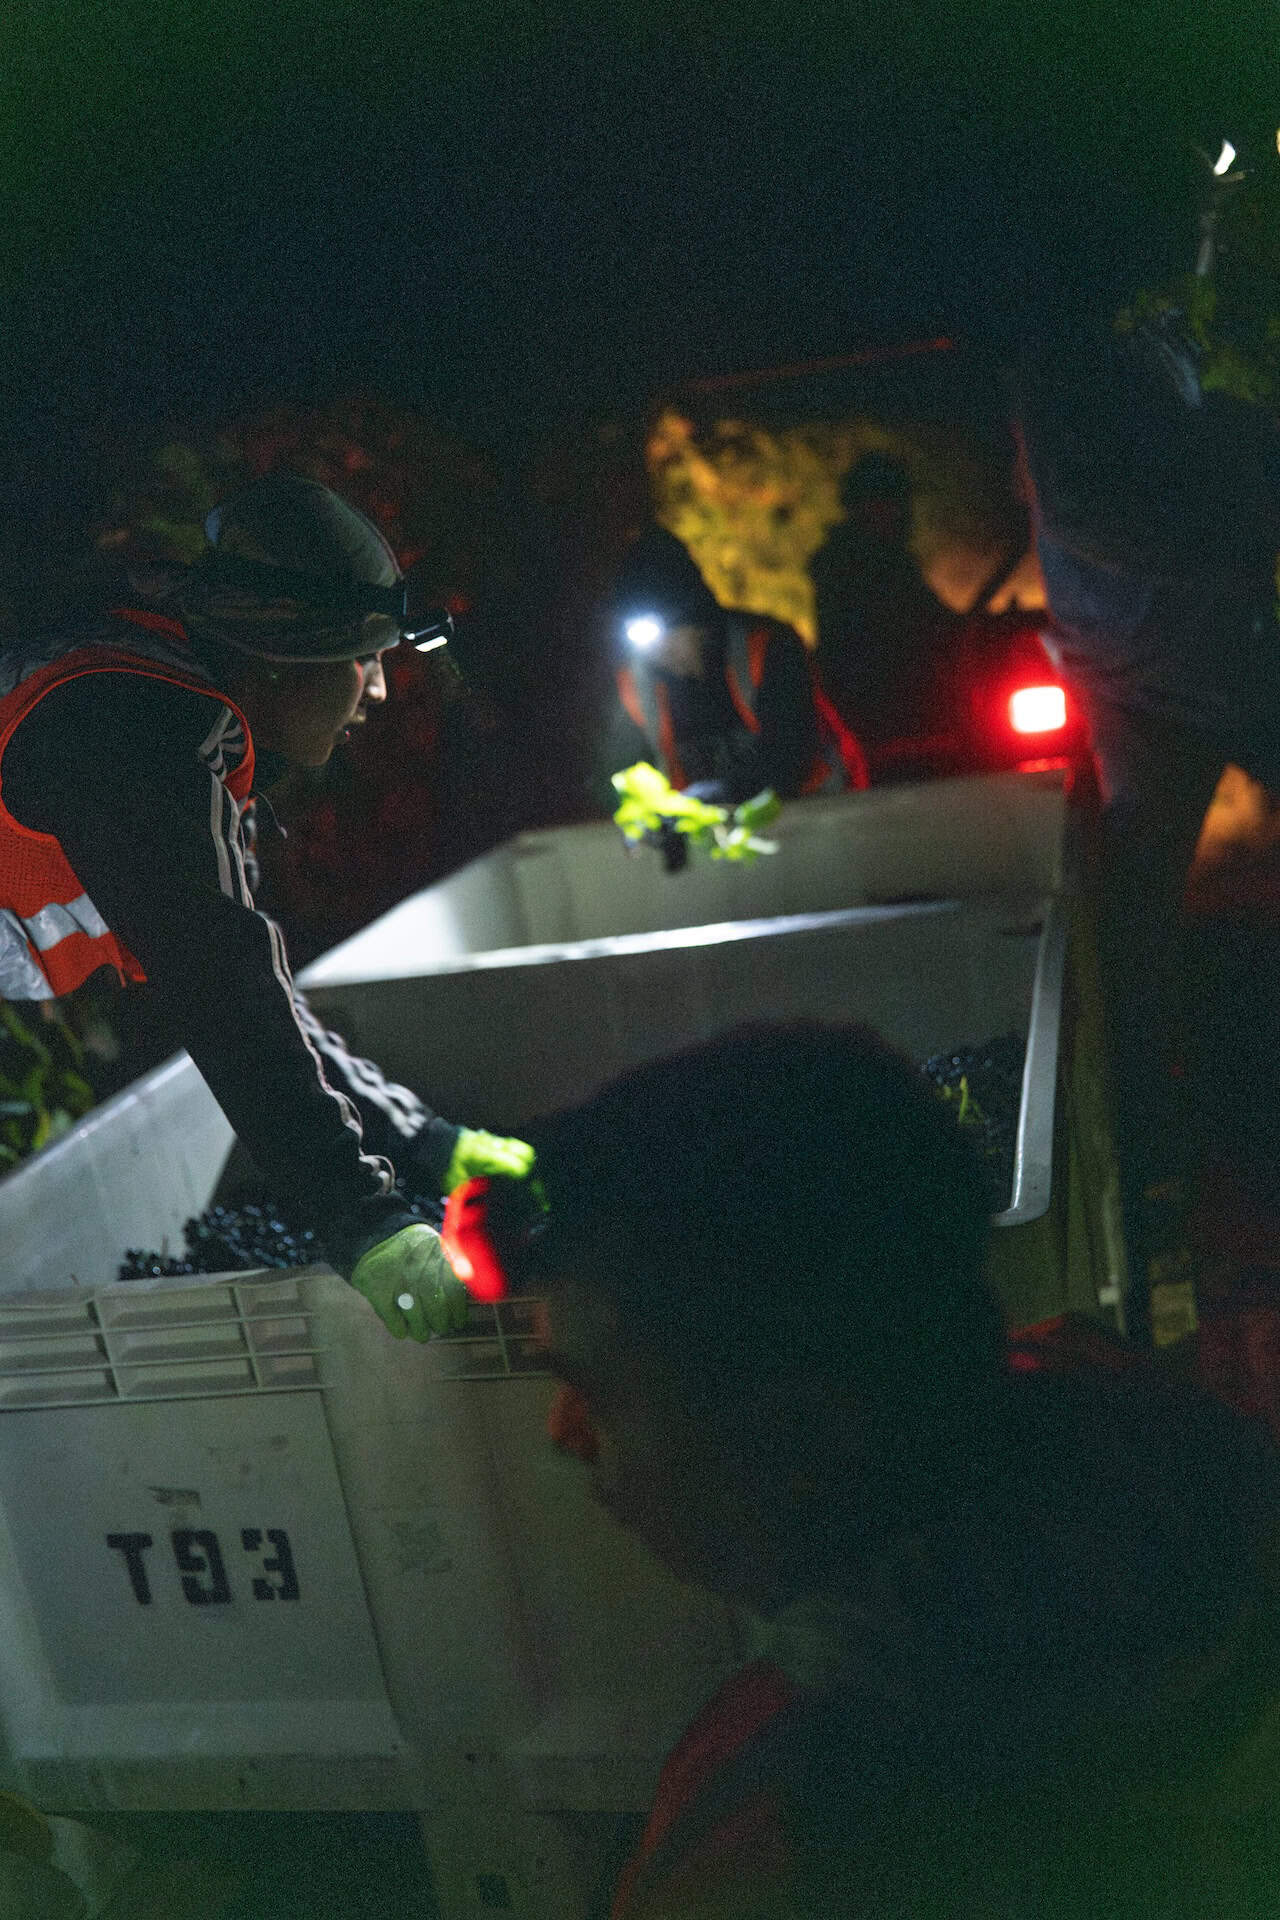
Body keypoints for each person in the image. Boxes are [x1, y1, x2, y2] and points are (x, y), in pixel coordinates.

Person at [446, 1022, 1280, 1917]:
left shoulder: (791, 1837)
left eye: (595, 1393)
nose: (562, 1432)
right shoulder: (1127, 1430)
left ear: (804, 1432)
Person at [0, 472, 532, 1339]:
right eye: (365, 659)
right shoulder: (138, 738)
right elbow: (225, 994)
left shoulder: (176, 709)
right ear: (288, 658)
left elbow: (251, 988)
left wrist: (419, 1138)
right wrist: (364, 1220)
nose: (382, 690)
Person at [1012, 311, 1280, 1335]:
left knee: (1140, 910)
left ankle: (1161, 1139)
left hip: (1200, 654)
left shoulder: (1135, 352)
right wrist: (1232, 523)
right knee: (1135, 925)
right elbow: (1090, 509)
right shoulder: (1070, 361)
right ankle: (1149, 1144)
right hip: (1148, 671)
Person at [602, 523, 867, 807]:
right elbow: (614, 773)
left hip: (817, 810)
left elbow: (792, 753)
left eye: (664, 634)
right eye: (644, 641)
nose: (658, 652)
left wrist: (728, 790)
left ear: (697, 620)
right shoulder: (637, 683)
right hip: (717, 832)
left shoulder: (767, 646)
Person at [810, 452, 959, 756]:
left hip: (898, 704)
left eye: (895, 502)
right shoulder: (847, 562)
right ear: (861, 505)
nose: (894, 512)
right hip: (872, 707)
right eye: (883, 501)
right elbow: (904, 624)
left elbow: (933, 619)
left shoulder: (890, 559)